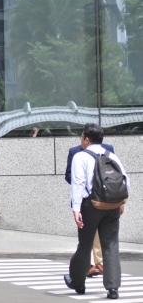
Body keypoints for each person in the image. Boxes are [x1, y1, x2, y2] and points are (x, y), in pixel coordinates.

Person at [64, 123, 129, 299]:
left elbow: (78, 183)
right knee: (111, 245)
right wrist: (121, 203)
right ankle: (113, 287)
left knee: (85, 244)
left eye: (82, 137)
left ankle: (78, 282)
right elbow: (124, 179)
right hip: (112, 205)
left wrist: (76, 209)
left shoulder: (80, 156)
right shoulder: (111, 155)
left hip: (90, 205)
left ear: (86, 138)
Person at [65, 140, 115, 278]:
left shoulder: (108, 150)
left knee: (101, 235)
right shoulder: (75, 152)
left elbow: (115, 175)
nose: (83, 140)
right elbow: (69, 176)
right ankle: (90, 265)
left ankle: (96, 263)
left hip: (105, 199)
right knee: (87, 237)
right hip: (86, 199)